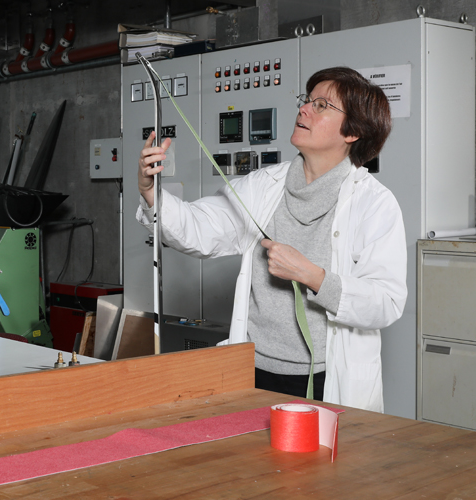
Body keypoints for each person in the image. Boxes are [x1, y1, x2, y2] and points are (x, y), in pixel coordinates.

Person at [136, 67, 407, 412]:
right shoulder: (264, 185)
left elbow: (386, 301)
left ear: (352, 131)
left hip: (325, 379)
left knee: (318, 466)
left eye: (322, 105)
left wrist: (312, 275)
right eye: (306, 101)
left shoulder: (374, 204)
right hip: (253, 371)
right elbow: (201, 228)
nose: (304, 109)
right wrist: (150, 193)